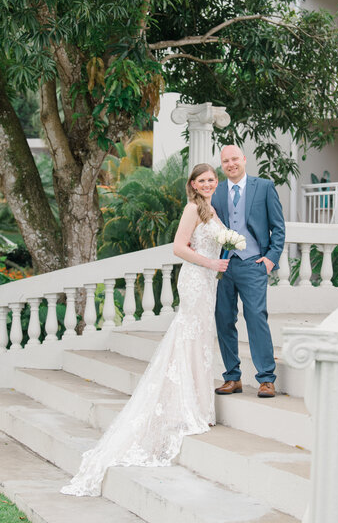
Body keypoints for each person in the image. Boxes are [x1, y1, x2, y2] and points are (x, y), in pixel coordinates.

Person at [60, 163, 228, 497]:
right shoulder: (193, 208)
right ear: (192, 184)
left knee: (200, 342)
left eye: (212, 179)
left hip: (208, 282)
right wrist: (211, 263)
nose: (208, 183)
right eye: (202, 180)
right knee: (189, 337)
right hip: (196, 279)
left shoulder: (211, 209)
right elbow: (179, 248)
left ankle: (198, 404)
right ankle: (188, 406)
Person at [212, 145, 285, 398]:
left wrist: (270, 259)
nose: (230, 164)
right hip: (224, 265)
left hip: (253, 262)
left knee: (255, 316)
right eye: (225, 161)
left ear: (244, 159)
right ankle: (232, 377)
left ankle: (266, 378)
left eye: (234, 159)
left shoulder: (263, 187)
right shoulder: (217, 191)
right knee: (223, 320)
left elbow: (278, 227)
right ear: (221, 165)